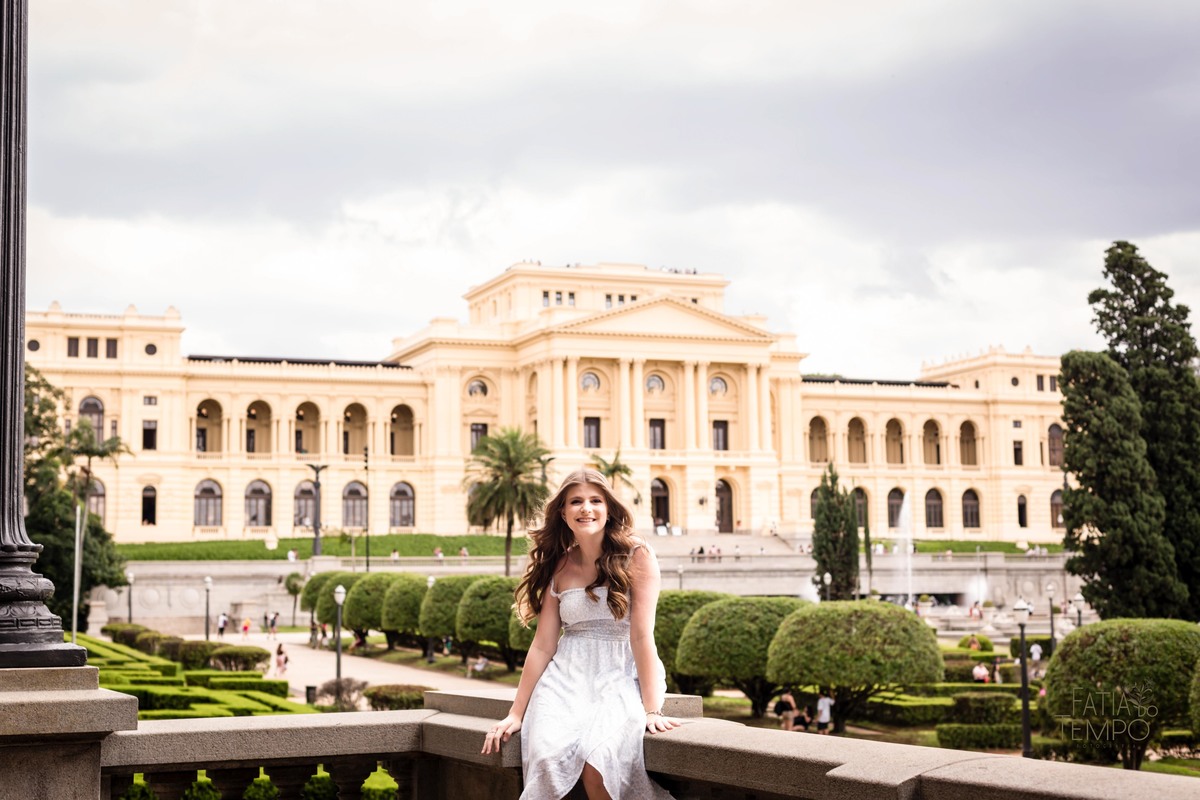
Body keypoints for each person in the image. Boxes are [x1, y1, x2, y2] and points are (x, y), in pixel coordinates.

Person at [480, 468, 678, 799]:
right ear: (563, 512)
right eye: (576, 502)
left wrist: (652, 708)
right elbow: (543, 646)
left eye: (595, 500)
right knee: (547, 755)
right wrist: (516, 713)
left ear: (609, 508)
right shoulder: (559, 564)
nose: (586, 508)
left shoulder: (637, 555)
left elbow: (642, 636)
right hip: (565, 679)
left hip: (619, 674)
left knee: (597, 761)